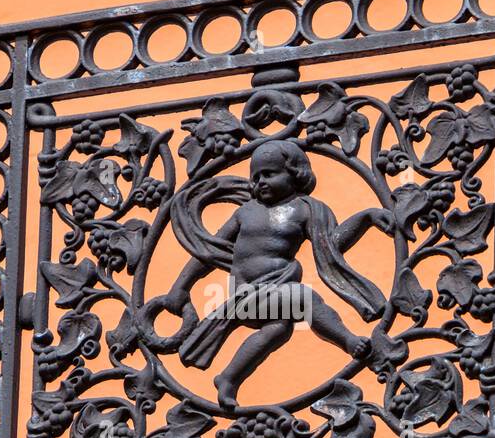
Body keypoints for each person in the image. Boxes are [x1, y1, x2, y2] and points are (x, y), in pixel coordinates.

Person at [154, 140, 390, 408]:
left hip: (275, 289)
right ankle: (348, 340)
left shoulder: (306, 210)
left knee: (277, 330)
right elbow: (209, 252)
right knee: (303, 298)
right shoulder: (245, 212)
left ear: (295, 173)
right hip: (245, 292)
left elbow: (332, 244)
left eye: (269, 174)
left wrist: (366, 218)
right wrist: (180, 287)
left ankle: (228, 378)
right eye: (256, 177)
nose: (261, 182)